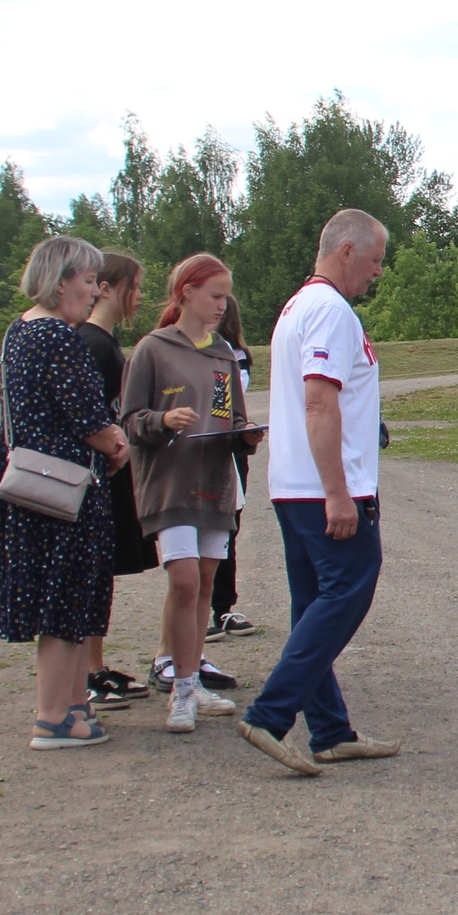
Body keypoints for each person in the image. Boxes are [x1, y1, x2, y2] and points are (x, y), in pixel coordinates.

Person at [237, 208, 401, 774]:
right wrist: (339, 492)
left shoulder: (298, 306)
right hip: (322, 487)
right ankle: (269, 715)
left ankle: (330, 731)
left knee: (313, 604)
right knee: (348, 590)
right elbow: (318, 400)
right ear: (348, 250)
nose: (378, 273)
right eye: (376, 260)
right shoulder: (330, 310)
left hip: (293, 484)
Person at [0, 235, 132, 750]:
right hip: (65, 491)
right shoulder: (58, 339)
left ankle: (73, 709)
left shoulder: (18, 333)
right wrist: (118, 445)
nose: (94, 292)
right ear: (61, 280)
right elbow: (90, 420)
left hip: (29, 483)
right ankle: (53, 716)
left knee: (63, 602)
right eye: (89, 281)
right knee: (66, 601)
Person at [120, 253, 265, 734]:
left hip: (215, 485)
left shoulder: (224, 354)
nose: (223, 305)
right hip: (169, 485)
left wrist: (245, 435)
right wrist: (162, 421)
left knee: (204, 583)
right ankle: (179, 691)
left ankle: (191, 677)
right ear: (186, 292)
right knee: (183, 581)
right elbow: (130, 420)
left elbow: (230, 416)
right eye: (215, 295)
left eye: (226, 296)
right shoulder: (153, 349)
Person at [75, 251, 157, 712]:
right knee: (92, 573)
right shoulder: (91, 342)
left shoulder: (105, 341)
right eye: (134, 286)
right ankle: (88, 674)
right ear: (105, 288)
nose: (140, 296)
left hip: (110, 472)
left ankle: (95, 666)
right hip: (98, 475)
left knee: (101, 573)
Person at [204, 293, 259, 641]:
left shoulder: (236, 356)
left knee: (228, 526)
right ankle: (204, 607)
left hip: (229, 446)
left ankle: (222, 607)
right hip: (199, 446)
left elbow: (226, 403)